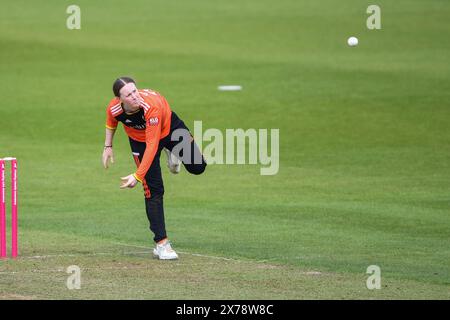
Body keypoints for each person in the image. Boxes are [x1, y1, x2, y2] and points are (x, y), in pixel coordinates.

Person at [102, 77, 207, 260]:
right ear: (120, 99)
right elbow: (111, 122)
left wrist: (137, 175)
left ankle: (171, 150)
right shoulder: (115, 108)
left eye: (135, 91)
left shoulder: (150, 107)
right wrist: (108, 146)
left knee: (198, 167)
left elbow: (153, 145)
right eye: (129, 94)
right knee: (154, 191)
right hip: (139, 141)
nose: (135, 96)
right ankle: (162, 244)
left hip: (169, 128)